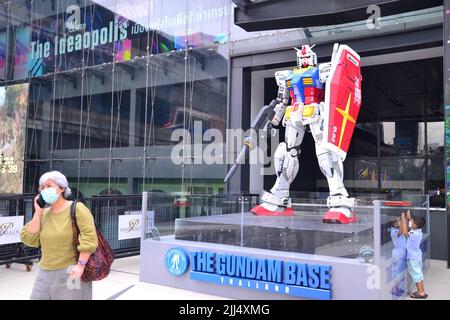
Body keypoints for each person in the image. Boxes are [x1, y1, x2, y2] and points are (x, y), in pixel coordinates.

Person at [20, 171, 98, 300]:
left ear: (62, 188)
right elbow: (29, 239)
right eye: (42, 188)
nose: (45, 190)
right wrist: (38, 212)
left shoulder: (77, 208)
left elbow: (89, 238)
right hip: (44, 272)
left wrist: (80, 265)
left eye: (49, 186)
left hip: (70, 271)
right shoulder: (44, 214)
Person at [401, 210, 427, 299]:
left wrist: (404, 220)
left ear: (415, 225)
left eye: (411, 222)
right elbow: (411, 228)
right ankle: (422, 290)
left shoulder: (414, 234)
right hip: (417, 256)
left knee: (416, 275)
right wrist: (409, 217)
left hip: (412, 258)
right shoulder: (418, 231)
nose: (410, 222)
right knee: (419, 274)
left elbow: (405, 233)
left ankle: (421, 293)